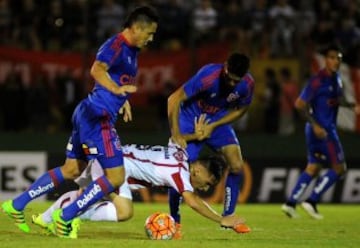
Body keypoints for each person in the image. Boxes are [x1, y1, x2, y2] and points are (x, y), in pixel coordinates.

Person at [1, 6, 159, 238]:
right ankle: (64, 217)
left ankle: (16, 205)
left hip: (88, 112)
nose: (152, 38)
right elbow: (96, 70)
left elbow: (115, 78)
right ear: (136, 28)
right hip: (98, 118)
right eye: (150, 33)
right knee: (115, 177)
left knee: (72, 169)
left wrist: (121, 99)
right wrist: (116, 90)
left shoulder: (132, 50)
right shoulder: (115, 46)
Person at [32, 117, 250, 239]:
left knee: (83, 194)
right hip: (115, 167)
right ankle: (72, 217)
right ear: (198, 171)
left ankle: (46, 218)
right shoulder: (179, 172)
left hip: (111, 157)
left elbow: (179, 137)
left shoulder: (179, 152)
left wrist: (199, 134)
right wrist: (222, 218)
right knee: (124, 211)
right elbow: (192, 201)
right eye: (208, 183)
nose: (204, 188)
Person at [167, 52, 254, 227]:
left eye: (235, 81)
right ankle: (174, 221)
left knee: (237, 164)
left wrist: (214, 125)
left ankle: (228, 216)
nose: (231, 83)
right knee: (179, 168)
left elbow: (241, 109)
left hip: (216, 122)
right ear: (225, 66)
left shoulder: (247, 84)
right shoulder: (208, 76)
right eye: (228, 78)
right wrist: (176, 133)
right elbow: (174, 99)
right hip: (190, 119)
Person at [281, 44, 360, 219]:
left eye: (338, 58)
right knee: (339, 168)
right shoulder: (318, 80)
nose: (336, 61)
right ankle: (312, 200)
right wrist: (315, 124)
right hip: (323, 130)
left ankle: (290, 203)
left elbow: (337, 100)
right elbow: (299, 104)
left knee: (313, 167)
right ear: (326, 60)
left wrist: (351, 105)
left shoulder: (336, 79)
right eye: (332, 58)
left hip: (319, 129)